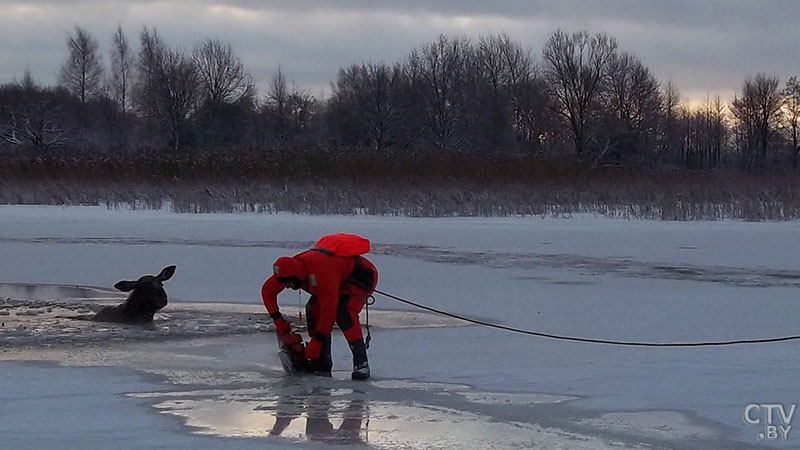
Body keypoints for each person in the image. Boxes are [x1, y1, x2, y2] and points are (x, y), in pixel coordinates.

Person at [261, 233, 378, 380]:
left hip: (360, 276)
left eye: (290, 284)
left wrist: (316, 343)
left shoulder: (321, 273)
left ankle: (361, 364)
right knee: (312, 309)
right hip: (336, 278)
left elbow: (329, 311)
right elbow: (267, 291)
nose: (288, 288)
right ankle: (322, 362)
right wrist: (277, 319)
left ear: (297, 278)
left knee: (344, 313)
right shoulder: (287, 270)